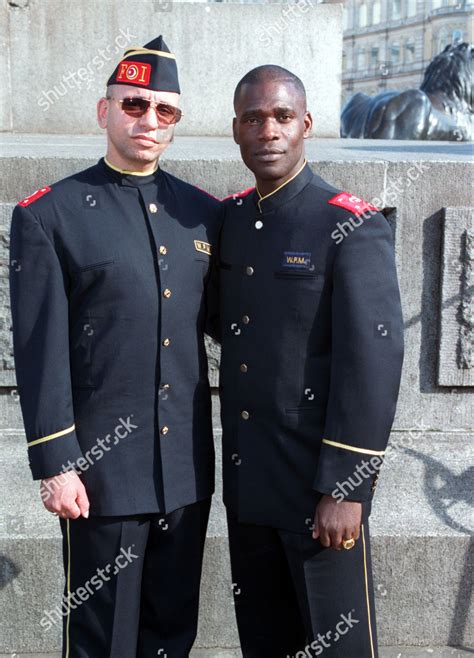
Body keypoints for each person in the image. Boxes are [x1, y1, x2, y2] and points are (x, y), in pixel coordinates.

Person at [9, 36, 221, 658]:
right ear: (104, 112)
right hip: (99, 474)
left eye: (165, 111)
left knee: (171, 632)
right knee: (101, 639)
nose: (148, 121)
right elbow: (38, 349)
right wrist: (56, 462)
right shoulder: (51, 215)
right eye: (133, 105)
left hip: (184, 468)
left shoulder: (203, 215)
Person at [218, 65, 404, 657]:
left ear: (306, 125)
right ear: (236, 130)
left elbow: (373, 361)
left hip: (318, 490)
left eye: (280, 117)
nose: (267, 130)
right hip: (250, 487)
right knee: (264, 643)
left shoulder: (347, 222)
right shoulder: (232, 221)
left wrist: (347, 488)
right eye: (253, 118)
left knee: (336, 646)